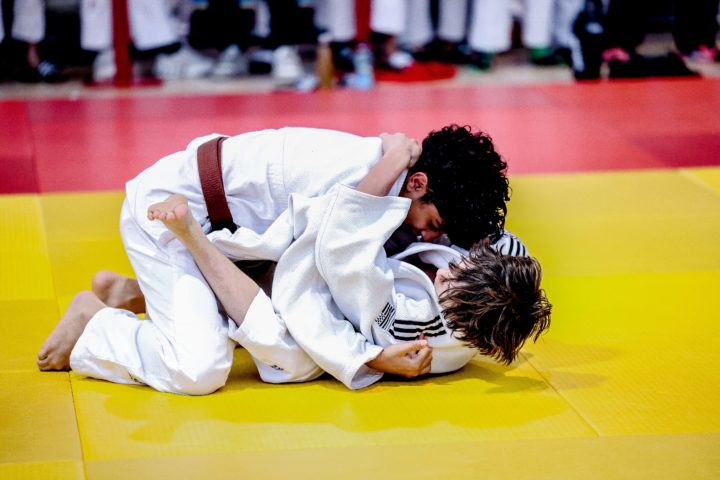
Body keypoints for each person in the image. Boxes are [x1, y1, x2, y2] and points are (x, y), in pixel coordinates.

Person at [37, 126, 511, 393]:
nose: (428, 237)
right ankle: (98, 324)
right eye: (432, 222)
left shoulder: (388, 177)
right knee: (200, 368)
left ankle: (130, 292)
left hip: (234, 236)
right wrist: (368, 359)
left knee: (285, 308)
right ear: (417, 183)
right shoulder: (364, 183)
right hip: (172, 213)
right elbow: (306, 293)